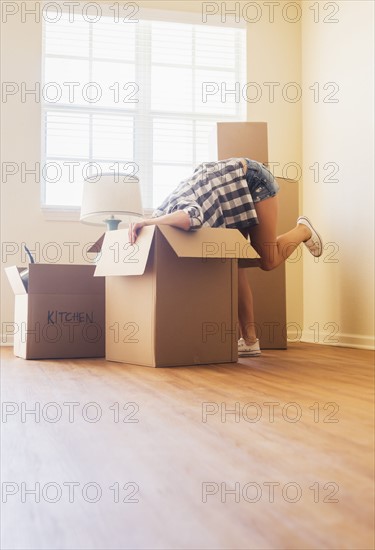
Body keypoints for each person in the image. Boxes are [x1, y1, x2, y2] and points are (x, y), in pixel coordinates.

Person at [129, 157, 323, 357]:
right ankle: (249, 341)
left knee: (268, 260)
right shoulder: (164, 217)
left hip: (252, 179)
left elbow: (191, 218)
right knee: (233, 262)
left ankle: (302, 230)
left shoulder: (172, 211)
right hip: (228, 193)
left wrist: (147, 222)